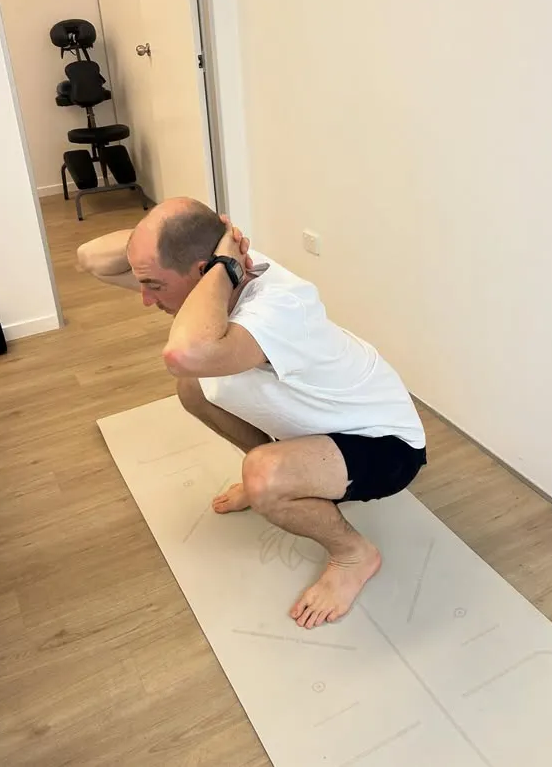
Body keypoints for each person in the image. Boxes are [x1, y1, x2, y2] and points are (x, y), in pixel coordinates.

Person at [77, 197, 426, 630]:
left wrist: (223, 263)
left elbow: (183, 354)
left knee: (263, 475)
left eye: (154, 285)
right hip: (321, 425)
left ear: (204, 271)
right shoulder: (219, 268)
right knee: (194, 390)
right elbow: (90, 258)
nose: (145, 298)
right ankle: (291, 474)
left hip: (386, 443)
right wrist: (180, 241)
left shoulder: (280, 304)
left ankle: (353, 554)